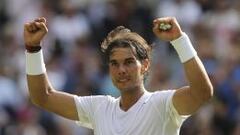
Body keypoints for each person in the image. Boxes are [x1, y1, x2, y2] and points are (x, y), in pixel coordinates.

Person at [24, 17, 213, 135]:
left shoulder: (162, 105)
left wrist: (180, 40)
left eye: (129, 62)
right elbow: (43, 96)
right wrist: (33, 49)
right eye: (115, 64)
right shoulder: (99, 108)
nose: (121, 70)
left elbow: (202, 93)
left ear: (145, 65)